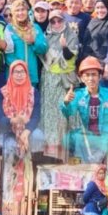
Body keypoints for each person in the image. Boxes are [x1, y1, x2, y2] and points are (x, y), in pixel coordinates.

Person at [61, 56, 108, 163]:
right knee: (67, 139)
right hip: (87, 137)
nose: (91, 78)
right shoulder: (78, 95)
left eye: (94, 74)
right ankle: (78, 163)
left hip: (107, 138)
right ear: (81, 78)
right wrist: (66, 102)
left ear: (100, 76)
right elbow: (68, 112)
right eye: (87, 75)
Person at [41, 9, 79, 160]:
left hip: (65, 81)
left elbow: (70, 57)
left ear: (64, 21)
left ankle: (66, 156)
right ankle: (51, 156)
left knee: (63, 116)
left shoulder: (71, 35)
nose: (56, 24)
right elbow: (40, 53)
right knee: (49, 117)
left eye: (59, 21)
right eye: (53, 21)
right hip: (49, 81)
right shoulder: (46, 36)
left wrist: (64, 47)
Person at [0, 60, 43, 157]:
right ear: (10, 74)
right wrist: (14, 120)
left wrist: (26, 132)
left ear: (27, 74)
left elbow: (36, 117)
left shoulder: (34, 92)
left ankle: (33, 164)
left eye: (22, 72)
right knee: (10, 144)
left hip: (27, 130)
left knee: (38, 136)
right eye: (16, 72)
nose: (19, 75)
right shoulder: (1, 93)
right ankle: (10, 167)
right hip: (8, 131)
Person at [79, 0, 108, 84]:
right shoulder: (93, 21)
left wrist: (107, 65)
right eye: (97, 8)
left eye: (102, 7)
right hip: (88, 64)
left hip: (102, 67)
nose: (100, 10)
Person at [5, 0, 47, 87]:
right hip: (14, 76)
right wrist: (20, 70)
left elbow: (43, 49)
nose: (20, 13)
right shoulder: (9, 29)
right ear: (13, 13)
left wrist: (34, 41)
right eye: (17, 10)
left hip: (31, 76)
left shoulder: (35, 27)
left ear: (27, 11)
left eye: (23, 10)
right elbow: (8, 54)